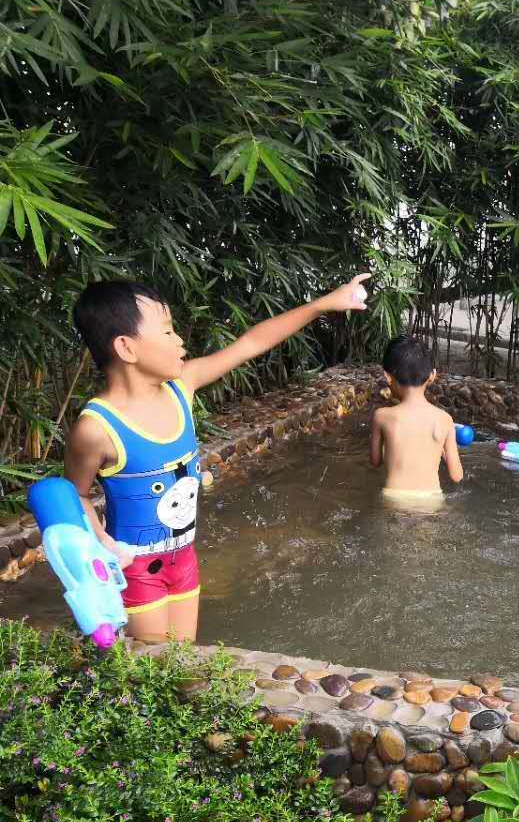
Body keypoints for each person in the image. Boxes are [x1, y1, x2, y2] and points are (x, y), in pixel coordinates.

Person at [66, 274, 370, 643]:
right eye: (167, 331)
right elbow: (75, 494)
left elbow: (252, 343)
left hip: (184, 559)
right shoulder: (97, 429)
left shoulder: (182, 387)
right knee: (155, 660)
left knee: (183, 658)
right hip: (135, 569)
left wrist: (322, 304)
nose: (180, 341)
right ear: (126, 348)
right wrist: (102, 542)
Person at [370, 335, 463, 512]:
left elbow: (375, 461)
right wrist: (443, 452)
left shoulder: (382, 416)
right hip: (431, 499)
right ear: (432, 375)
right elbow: (456, 476)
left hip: (393, 497)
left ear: (388, 377)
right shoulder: (444, 420)